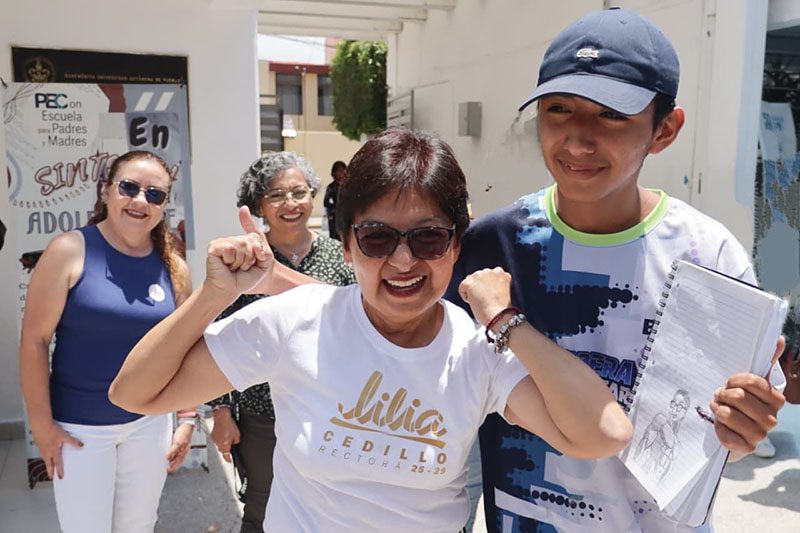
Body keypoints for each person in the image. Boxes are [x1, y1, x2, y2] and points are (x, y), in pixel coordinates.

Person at [109, 128, 633, 532]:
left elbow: (603, 433)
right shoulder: (295, 320)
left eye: (429, 238)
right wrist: (213, 295)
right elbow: (134, 393)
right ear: (346, 246)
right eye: (377, 238)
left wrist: (505, 320)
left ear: (455, 247)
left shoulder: (477, 349)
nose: (403, 261)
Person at [445, 7, 786, 532]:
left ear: (665, 129)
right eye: (559, 109)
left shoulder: (708, 257)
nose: (577, 140)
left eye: (611, 114)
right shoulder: (493, 246)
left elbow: (729, 438)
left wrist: (742, 430)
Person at [18, 150, 197, 533]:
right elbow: (35, 341)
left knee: (139, 526)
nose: (140, 201)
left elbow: (185, 347)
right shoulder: (69, 250)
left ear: (164, 205)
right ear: (105, 191)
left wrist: (186, 417)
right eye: (129, 187)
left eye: (154, 194)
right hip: (79, 429)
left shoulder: (174, 266)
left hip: (149, 424)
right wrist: (42, 426)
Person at [207, 152, 356, 532]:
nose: (290, 203)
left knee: (329, 507)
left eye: (299, 192)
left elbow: (359, 325)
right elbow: (217, 332)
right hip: (261, 413)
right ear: (259, 204)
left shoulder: (341, 257)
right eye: (276, 195)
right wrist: (221, 412)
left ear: (313, 196)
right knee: (262, 505)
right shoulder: (245, 260)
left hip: (329, 409)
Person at [323, 160, 346, 240]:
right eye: (338, 171)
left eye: (342, 171)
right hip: (335, 216)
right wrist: (335, 207)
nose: (341, 173)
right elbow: (326, 202)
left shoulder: (347, 187)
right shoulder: (331, 187)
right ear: (334, 173)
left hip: (345, 215)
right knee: (335, 236)